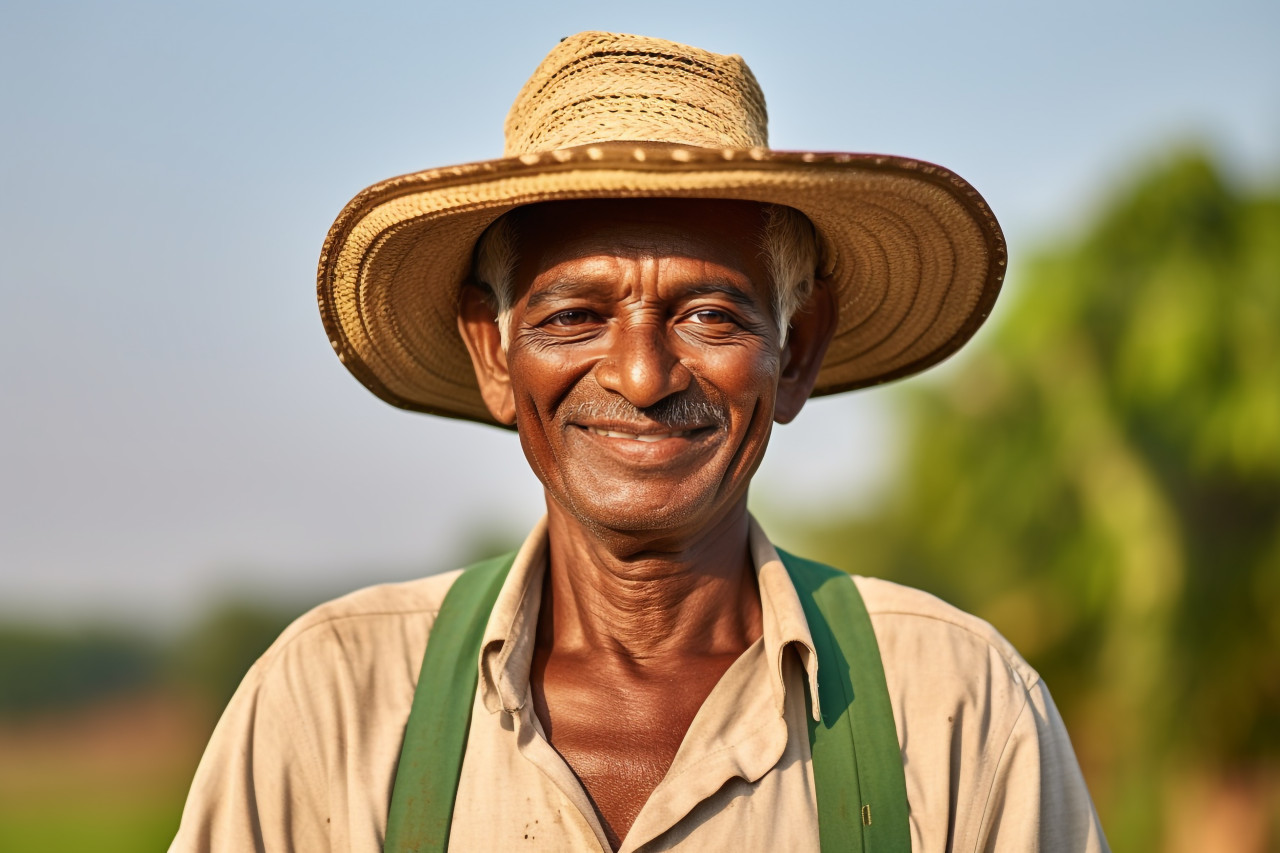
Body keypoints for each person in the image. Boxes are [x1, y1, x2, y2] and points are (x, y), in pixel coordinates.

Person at [170, 32, 1108, 853]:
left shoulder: (955, 709)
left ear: (797, 351)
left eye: (710, 314)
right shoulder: (334, 702)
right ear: (493, 354)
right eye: (576, 315)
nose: (644, 376)